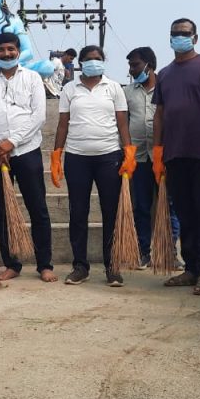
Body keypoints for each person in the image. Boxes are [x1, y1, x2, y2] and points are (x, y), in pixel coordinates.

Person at [152, 18, 200, 297]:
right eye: (175, 33)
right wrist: (158, 152)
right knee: (185, 212)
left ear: (195, 38)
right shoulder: (164, 74)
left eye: (185, 33)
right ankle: (190, 268)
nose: (179, 37)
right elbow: (159, 114)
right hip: (175, 153)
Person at [0, 32, 55, 282]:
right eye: (1, 50)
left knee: (37, 208)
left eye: (11, 49)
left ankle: (45, 265)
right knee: (1, 210)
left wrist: (12, 142)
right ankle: (11, 264)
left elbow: (38, 116)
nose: (6, 54)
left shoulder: (32, 78)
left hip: (26, 151)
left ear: (18, 51)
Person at [52, 45, 132, 287]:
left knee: (111, 212)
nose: (93, 62)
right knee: (78, 212)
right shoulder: (69, 89)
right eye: (88, 59)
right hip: (77, 157)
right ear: (81, 64)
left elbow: (122, 123)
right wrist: (57, 154)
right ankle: (80, 266)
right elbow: (63, 124)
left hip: (109, 156)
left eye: (97, 58)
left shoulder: (114, 87)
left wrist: (128, 152)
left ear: (103, 61)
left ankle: (112, 266)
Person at [124, 47, 180, 268]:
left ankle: (170, 252)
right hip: (138, 157)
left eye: (135, 65)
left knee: (170, 206)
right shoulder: (128, 92)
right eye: (130, 66)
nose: (132, 70)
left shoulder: (167, 87)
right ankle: (143, 252)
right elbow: (123, 122)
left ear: (149, 65)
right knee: (141, 206)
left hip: (165, 156)